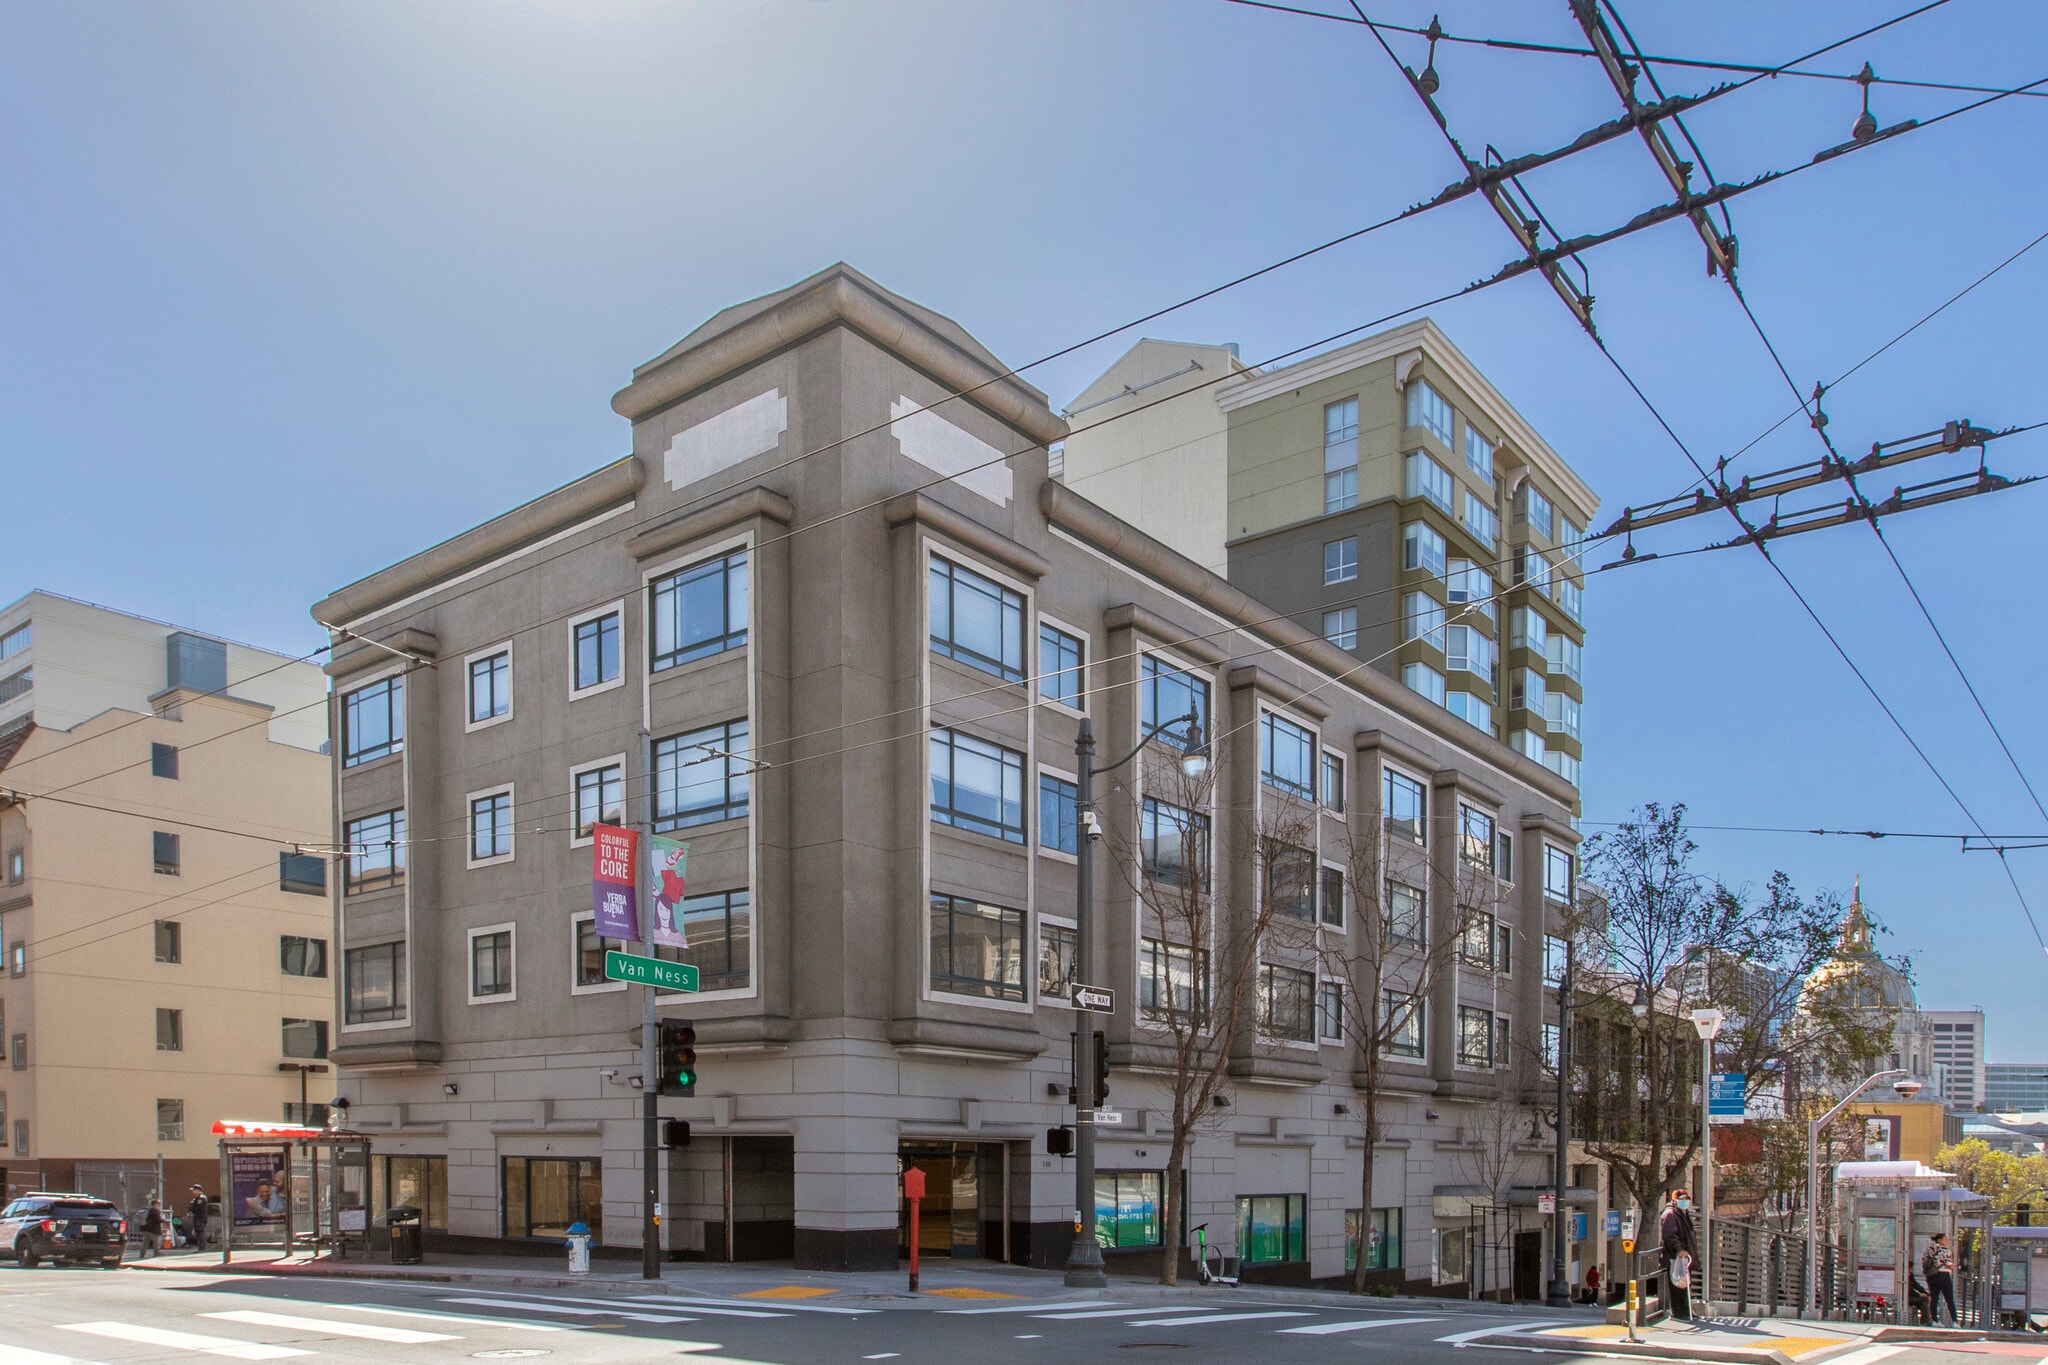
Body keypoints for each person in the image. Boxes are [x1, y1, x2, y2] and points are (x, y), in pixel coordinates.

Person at [1659, 1188, 1699, 1322]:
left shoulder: (1683, 1213)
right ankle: (1678, 1313)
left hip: (1683, 1257)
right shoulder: (1670, 1214)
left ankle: (1686, 1311)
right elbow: (1669, 1236)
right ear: (1675, 1200)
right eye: (1681, 1200)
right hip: (1675, 1257)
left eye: (1686, 1199)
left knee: (1684, 1284)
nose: (1685, 1202)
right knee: (1677, 1285)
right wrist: (1679, 1249)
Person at [1922, 1232, 1958, 1325]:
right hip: (1944, 1275)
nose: (1947, 1241)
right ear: (1939, 1240)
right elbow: (1949, 1264)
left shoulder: (1928, 1250)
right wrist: (1954, 1266)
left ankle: (1934, 1320)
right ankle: (1955, 1321)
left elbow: (1924, 1261)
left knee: (1934, 1298)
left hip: (1932, 1276)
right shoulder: (1945, 1250)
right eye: (1945, 1239)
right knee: (1949, 1299)